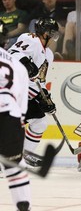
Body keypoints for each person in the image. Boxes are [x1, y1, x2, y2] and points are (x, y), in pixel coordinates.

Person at [7, 17, 58, 167]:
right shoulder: (30, 39)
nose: (54, 37)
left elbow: (39, 80)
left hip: (25, 94)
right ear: (45, 33)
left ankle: (24, 155)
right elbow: (12, 55)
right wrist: (25, 62)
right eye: (52, 33)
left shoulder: (48, 54)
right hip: (12, 90)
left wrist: (45, 98)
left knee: (40, 123)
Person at [0, 21, 37, 211]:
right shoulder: (18, 66)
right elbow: (21, 106)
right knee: (14, 164)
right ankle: (23, 206)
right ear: (5, 41)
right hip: (9, 115)